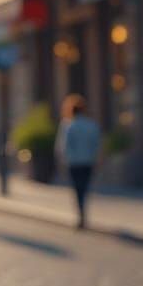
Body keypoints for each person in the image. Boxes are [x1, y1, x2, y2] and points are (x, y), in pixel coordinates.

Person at [56, 94, 100, 229]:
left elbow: (63, 146)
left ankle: (81, 215)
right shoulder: (91, 125)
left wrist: (62, 160)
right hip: (88, 161)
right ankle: (83, 213)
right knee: (84, 187)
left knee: (77, 189)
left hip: (74, 162)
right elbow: (96, 144)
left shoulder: (68, 125)